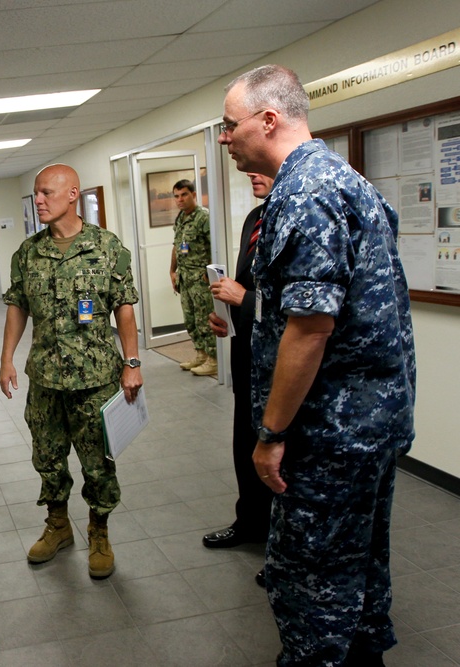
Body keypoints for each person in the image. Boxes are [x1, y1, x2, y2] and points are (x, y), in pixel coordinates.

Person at [219, 64, 416, 666]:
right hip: (370, 423)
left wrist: (272, 433)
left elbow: (308, 329)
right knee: (360, 567)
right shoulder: (345, 180)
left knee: (310, 584)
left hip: (327, 433)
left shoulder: (305, 195)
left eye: (230, 127)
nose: (225, 139)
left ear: (269, 120)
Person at [0, 164, 143, 579]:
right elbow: (17, 307)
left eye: (46, 193)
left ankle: (99, 531)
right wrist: (7, 358)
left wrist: (132, 362)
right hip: (45, 379)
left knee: (98, 462)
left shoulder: (107, 247)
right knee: (47, 458)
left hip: (96, 379)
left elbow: (125, 306)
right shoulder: (28, 253)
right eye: (36, 194)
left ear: (72, 194)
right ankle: (58, 525)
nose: (38, 201)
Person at [204, 174, 275, 570]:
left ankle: (284, 553)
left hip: (281, 368)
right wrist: (229, 314)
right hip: (248, 356)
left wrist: (243, 299)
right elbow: (254, 287)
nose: (254, 176)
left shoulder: (297, 218)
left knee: (279, 459)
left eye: (263, 168)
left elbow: (297, 310)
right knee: (245, 447)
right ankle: (249, 522)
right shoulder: (255, 218)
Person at [169, 179, 217, 376]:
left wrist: (211, 274)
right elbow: (176, 246)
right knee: (191, 320)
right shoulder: (180, 218)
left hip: (200, 278)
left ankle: (214, 359)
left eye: (184, 195)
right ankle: (201, 354)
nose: (180, 200)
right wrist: (172, 271)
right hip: (185, 278)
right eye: (177, 196)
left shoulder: (203, 217)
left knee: (205, 319)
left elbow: (215, 246)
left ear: (194, 195)